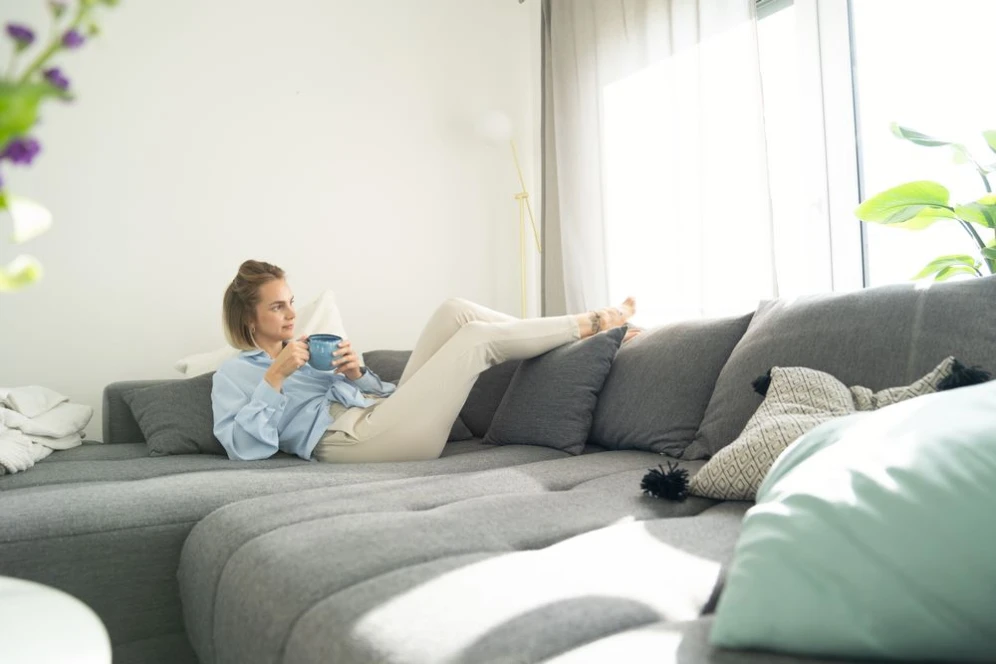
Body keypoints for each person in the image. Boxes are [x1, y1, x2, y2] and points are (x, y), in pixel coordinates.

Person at [212, 259, 638, 463]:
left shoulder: (305, 351)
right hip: (351, 443)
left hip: (381, 417)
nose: (291, 314)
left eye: (290, 303)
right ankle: (594, 322)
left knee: (456, 312)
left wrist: (357, 374)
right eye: (277, 308)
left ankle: (577, 337)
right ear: (250, 318)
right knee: (475, 340)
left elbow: (385, 397)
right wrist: (274, 378)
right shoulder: (234, 374)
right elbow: (244, 449)